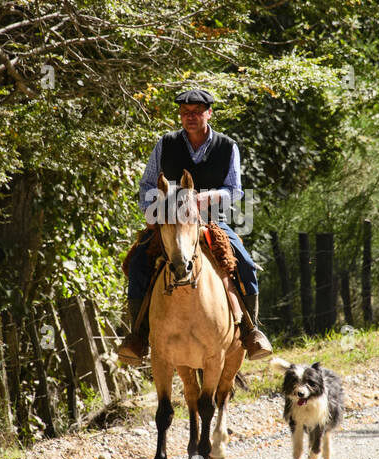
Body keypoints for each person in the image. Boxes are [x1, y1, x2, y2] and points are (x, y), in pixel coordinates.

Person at [116, 88, 273, 363]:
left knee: (245, 264)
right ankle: (137, 336)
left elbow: (234, 190)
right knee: (139, 261)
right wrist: (151, 212)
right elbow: (146, 185)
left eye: (197, 112)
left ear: (209, 113)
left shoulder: (227, 146)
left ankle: (251, 331)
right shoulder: (165, 144)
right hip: (169, 222)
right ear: (180, 114)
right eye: (186, 112)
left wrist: (205, 198)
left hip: (212, 221)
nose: (191, 117)